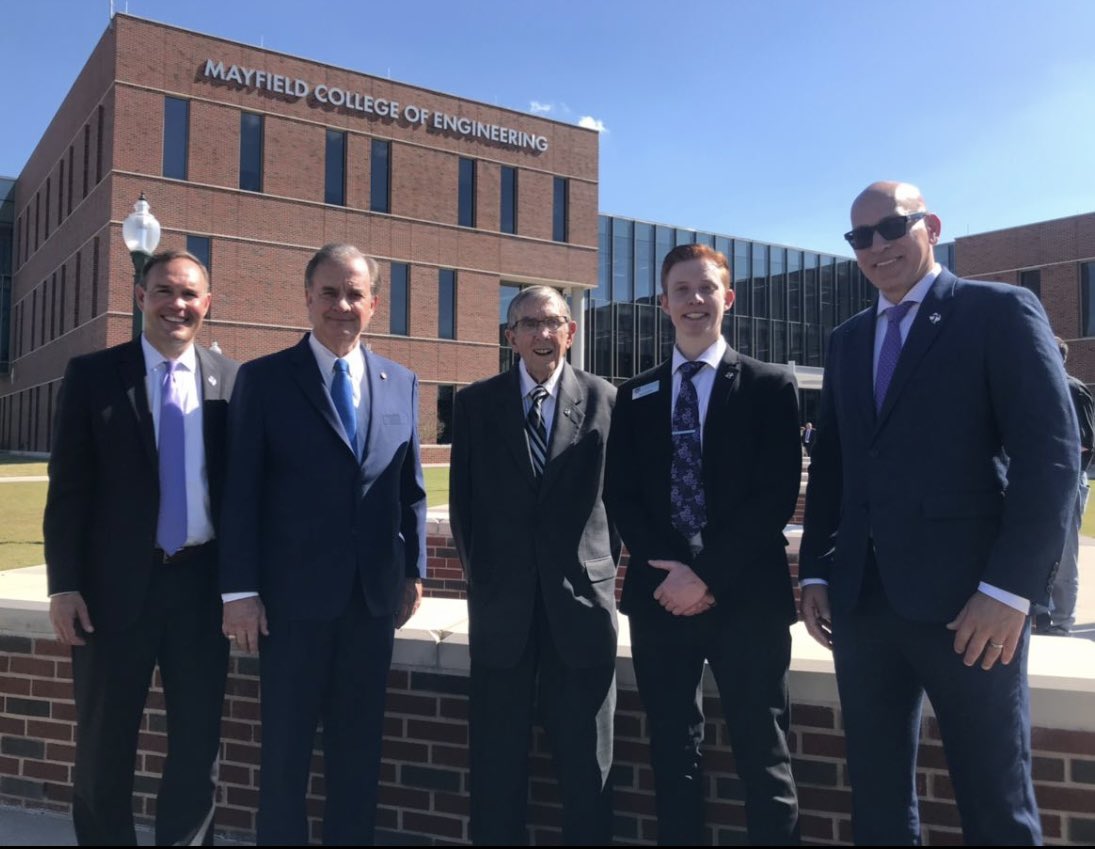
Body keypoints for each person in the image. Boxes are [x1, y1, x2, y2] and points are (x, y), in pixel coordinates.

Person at [799, 181, 1079, 844]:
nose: (876, 246)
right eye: (859, 237)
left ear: (930, 225)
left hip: (970, 611)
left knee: (994, 802)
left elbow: (1052, 458)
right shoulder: (846, 339)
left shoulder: (998, 312)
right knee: (877, 799)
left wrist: (1008, 590)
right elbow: (834, 466)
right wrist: (814, 572)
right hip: (861, 608)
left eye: (891, 227)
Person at [218, 243, 426, 845]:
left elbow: (409, 491)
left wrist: (411, 571)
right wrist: (240, 590)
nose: (342, 304)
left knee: (358, 757)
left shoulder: (401, 382)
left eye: (354, 293)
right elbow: (240, 494)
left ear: (374, 303)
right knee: (284, 758)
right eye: (330, 292)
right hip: (289, 607)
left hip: (370, 605)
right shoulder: (263, 379)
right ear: (307, 297)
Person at [605, 244, 802, 845]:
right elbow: (622, 494)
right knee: (673, 752)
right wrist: (673, 575)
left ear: (728, 297)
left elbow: (773, 498)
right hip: (661, 601)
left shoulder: (770, 386)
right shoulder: (635, 394)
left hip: (747, 601)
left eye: (706, 288)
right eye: (682, 290)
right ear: (663, 303)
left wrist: (705, 575)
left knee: (762, 754)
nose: (695, 300)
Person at [44, 250, 237, 845]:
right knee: (104, 745)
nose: (176, 304)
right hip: (112, 591)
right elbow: (69, 489)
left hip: (202, 591)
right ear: (139, 295)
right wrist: (64, 584)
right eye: (164, 291)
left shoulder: (232, 381)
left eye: (189, 294)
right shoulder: (94, 375)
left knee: (197, 746)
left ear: (207, 304)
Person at [449, 286, 619, 845]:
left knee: (586, 764)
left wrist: (597, 571)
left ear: (570, 331)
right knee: (496, 762)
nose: (542, 335)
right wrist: (490, 582)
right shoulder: (476, 404)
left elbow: (616, 508)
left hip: (582, 609)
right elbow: (466, 509)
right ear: (510, 337)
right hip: (503, 611)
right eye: (529, 324)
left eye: (553, 323)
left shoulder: (605, 400)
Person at [1033, 336, 1094, 635]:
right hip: (1037, 481)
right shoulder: (1035, 390)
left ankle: (1061, 621)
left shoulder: (1071, 389)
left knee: (1064, 553)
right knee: (1036, 548)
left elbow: (1083, 445)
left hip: (1066, 482)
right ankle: (1041, 614)